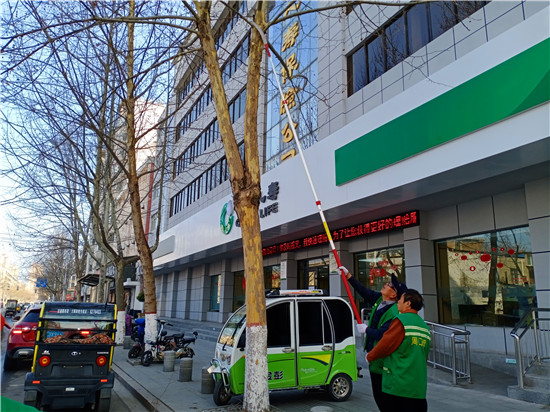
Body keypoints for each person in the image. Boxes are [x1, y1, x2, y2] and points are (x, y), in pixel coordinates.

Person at [337, 265, 407, 410]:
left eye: (390, 285)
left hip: (383, 358)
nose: (386, 284)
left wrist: (367, 330)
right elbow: (364, 291)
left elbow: (383, 335)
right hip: (374, 355)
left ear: (394, 295)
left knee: (383, 395)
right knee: (377, 393)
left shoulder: (394, 313)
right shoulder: (379, 299)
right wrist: (348, 276)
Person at [366, 289, 431, 412]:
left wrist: (369, 357)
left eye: (401, 299)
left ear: (408, 303)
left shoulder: (401, 321)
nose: (398, 302)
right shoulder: (424, 326)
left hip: (398, 386)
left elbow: (385, 344)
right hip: (418, 389)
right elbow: (425, 357)